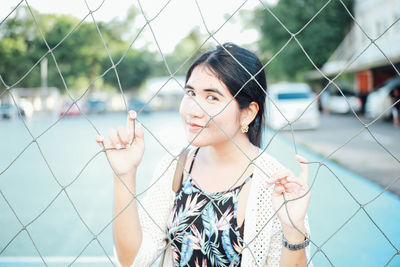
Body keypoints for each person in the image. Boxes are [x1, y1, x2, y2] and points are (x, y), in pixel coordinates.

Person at [96, 43, 312, 267]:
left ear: (247, 113)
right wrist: (124, 176)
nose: (192, 110)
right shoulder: (175, 166)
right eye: (190, 93)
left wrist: (294, 229)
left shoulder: (273, 184)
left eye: (212, 98)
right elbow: (132, 260)